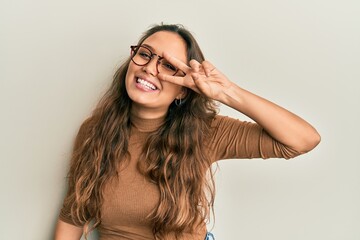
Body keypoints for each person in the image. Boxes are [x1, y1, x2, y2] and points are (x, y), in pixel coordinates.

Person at [54, 23, 320, 240]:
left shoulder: (206, 132)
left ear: (184, 88)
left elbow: (303, 140)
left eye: (169, 66)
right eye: (145, 54)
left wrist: (227, 92)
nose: (149, 68)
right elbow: (73, 215)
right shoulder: (94, 131)